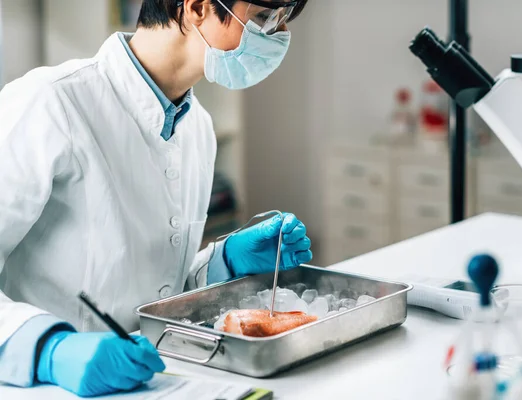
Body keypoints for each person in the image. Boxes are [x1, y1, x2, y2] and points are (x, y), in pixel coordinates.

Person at [0, 0, 311, 397]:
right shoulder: (49, 104)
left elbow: (156, 287)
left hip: (151, 380)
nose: (278, 37)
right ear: (197, 8)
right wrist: (48, 349)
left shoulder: (197, 127)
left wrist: (221, 264)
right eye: (265, 17)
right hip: (42, 387)